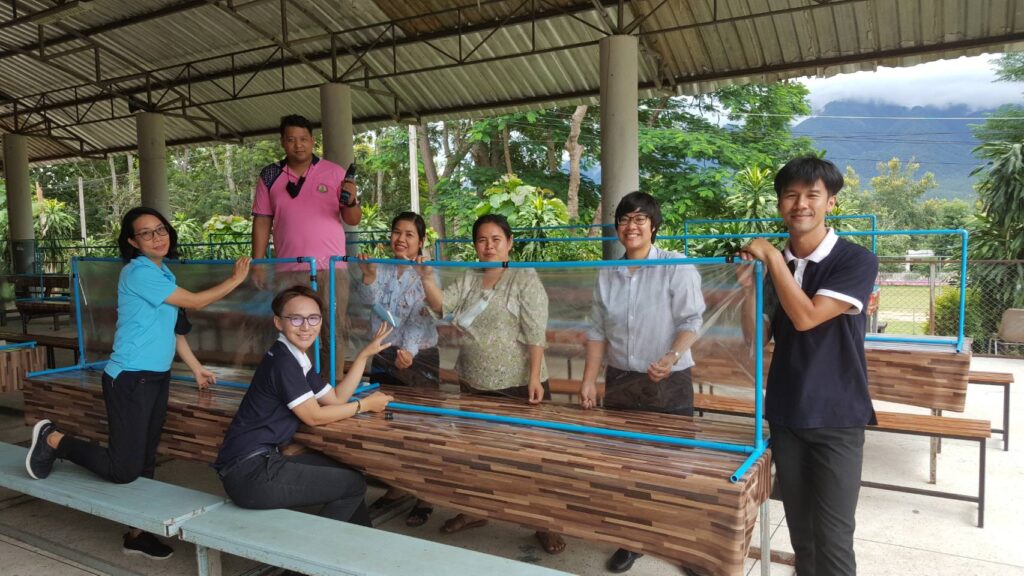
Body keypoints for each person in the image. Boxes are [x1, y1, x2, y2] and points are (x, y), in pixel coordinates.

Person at [26, 206, 251, 560]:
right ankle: (53, 439)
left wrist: (195, 368)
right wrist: (236, 279)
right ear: (133, 242)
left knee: (145, 460)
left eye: (160, 229)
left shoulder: (163, 273)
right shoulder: (137, 272)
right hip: (130, 377)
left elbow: (174, 329)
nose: (157, 237)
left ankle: (136, 534)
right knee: (123, 469)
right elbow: (196, 301)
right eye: (146, 233)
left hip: (156, 377)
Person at [739, 157, 878, 576]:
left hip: (837, 416)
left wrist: (770, 256)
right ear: (780, 203)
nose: (801, 204)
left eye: (812, 195)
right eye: (791, 195)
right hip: (787, 414)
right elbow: (756, 339)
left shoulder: (855, 260)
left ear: (830, 202)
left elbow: (806, 317)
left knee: (833, 539)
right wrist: (748, 289)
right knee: (802, 535)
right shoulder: (772, 268)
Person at [420, 214, 565, 554]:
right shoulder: (470, 277)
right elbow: (442, 305)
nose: (488, 246)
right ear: (475, 245)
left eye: (496, 239)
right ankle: (475, 511)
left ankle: (542, 523)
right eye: (482, 240)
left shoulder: (524, 278)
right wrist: (426, 277)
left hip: (519, 384)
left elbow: (535, 331)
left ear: (509, 242)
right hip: (473, 380)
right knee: (477, 454)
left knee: (530, 457)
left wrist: (534, 377)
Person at [579, 191, 705, 574]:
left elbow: (691, 321)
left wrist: (671, 357)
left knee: (672, 462)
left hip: (669, 379)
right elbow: (597, 331)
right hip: (621, 379)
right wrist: (589, 380)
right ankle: (631, 539)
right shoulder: (608, 273)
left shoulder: (675, 266)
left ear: (653, 225)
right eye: (624, 219)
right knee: (626, 462)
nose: (630, 226)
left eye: (639, 219)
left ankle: (681, 542)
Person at [213, 285, 394, 531]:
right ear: (279, 322)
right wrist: (365, 404)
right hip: (251, 474)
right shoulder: (284, 363)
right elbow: (314, 416)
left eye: (313, 318)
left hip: (259, 462)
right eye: (296, 319)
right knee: (353, 486)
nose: (306, 326)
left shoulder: (295, 358)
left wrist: (363, 356)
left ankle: (360, 541)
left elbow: (336, 399)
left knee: (348, 472)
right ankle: (312, 548)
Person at [251, 114, 362, 379]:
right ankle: (301, 385)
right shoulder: (270, 175)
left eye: (303, 139)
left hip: (331, 268)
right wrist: (258, 262)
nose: (298, 145)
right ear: (282, 142)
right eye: (291, 139)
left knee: (333, 328)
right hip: (289, 268)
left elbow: (352, 219)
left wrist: (351, 199)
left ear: (313, 141)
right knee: (296, 329)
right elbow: (262, 219)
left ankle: (332, 385)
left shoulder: (334, 173)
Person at [354, 211, 439, 526]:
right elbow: (370, 303)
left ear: (421, 241)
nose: (401, 239)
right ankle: (397, 485)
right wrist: (368, 276)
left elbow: (423, 314)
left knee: (422, 426)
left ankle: (425, 494)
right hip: (383, 352)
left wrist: (410, 352)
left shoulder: (428, 272)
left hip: (420, 356)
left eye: (409, 234)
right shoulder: (383, 266)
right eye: (397, 232)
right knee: (387, 422)